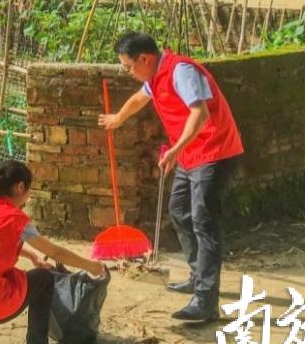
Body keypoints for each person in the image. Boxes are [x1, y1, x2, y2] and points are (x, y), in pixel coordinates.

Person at [99, 31, 244, 322]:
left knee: (204, 221)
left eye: (129, 66)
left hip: (215, 151)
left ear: (145, 58)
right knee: (179, 211)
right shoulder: (154, 76)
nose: (128, 72)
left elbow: (199, 113)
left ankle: (205, 301)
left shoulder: (181, 71)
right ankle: (196, 274)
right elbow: (140, 99)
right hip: (191, 153)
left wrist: (175, 148)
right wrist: (118, 118)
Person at [0, 160, 108, 344]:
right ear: (20, 187)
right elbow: (54, 251)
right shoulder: (14, 218)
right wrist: (92, 266)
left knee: (10, 278)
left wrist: (32, 256)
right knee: (44, 278)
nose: (29, 195)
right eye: (29, 190)